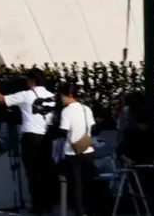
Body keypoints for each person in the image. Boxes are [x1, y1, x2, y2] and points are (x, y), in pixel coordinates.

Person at [0, 68, 55, 215]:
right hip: (47, 138)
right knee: (45, 172)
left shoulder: (27, 95)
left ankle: (37, 207)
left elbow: (2, 99)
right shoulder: (52, 96)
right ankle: (48, 206)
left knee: (32, 173)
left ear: (32, 81)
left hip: (31, 137)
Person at [56, 82, 94, 216]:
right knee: (87, 183)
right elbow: (91, 127)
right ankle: (89, 209)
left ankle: (79, 211)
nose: (61, 98)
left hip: (72, 151)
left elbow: (64, 131)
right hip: (88, 150)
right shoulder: (86, 109)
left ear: (69, 96)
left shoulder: (66, 111)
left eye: (62, 95)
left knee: (75, 184)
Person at [117, 113, 154, 202]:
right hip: (136, 165)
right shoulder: (131, 135)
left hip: (151, 165)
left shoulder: (153, 135)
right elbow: (120, 151)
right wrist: (127, 159)